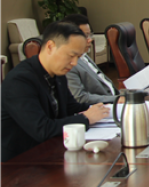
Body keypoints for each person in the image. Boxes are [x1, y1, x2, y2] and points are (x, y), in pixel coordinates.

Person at [0, 22, 111, 162]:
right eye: (71, 55)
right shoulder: (19, 81)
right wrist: (86, 118)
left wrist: (105, 108)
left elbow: (71, 107)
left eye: (78, 57)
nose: (74, 63)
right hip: (19, 162)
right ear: (50, 47)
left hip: (49, 151)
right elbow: (42, 129)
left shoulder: (57, 73)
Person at [62, 14, 119, 104]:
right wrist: (116, 99)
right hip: (103, 106)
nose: (90, 40)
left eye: (90, 35)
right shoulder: (68, 64)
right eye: (85, 36)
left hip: (114, 99)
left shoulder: (84, 55)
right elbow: (79, 98)